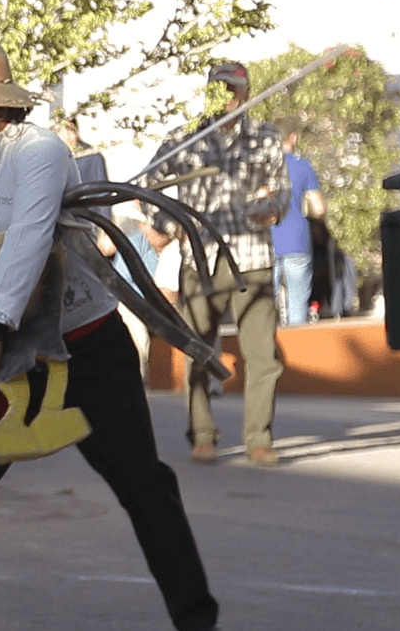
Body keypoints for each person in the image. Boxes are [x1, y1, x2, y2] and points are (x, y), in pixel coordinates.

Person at [0, 42, 219, 631]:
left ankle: (198, 621)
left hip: (85, 348)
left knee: (144, 485)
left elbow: (29, 240)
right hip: (3, 356)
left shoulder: (40, 150)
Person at [144, 61, 290, 467]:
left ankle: (259, 438)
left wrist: (273, 208)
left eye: (234, 89)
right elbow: (148, 186)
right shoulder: (185, 139)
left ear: (246, 92)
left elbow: (282, 191)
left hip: (253, 260)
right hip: (201, 260)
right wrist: (169, 224)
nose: (227, 97)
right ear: (209, 91)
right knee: (199, 351)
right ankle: (202, 434)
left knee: (263, 357)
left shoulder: (265, 138)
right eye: (219, 88)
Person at [97, 200, 172, 387]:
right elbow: (105, 247)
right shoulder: (128, 228)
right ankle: (135, 381)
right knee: (138, 340)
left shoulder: (155, 234)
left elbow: (159, 241)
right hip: (126, 294)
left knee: (141, 342)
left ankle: (136, 380)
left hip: (143, 296)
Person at [271, 117, 327, 326]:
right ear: (292, 138)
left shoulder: (262, 167)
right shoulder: (302, 166)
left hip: (267, 240)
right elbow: (319, 208)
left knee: (267, 305)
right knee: (298, 303)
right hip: (297, 239)